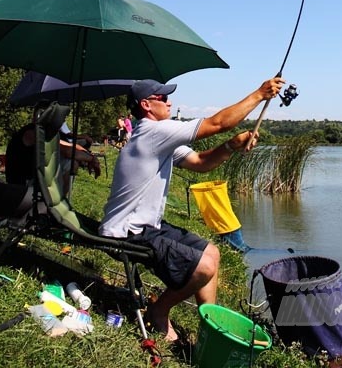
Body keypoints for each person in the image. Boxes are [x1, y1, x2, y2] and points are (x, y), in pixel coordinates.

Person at [99, 75, 284, 342]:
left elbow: (200, 162)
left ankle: (210, 326)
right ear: (147, 105)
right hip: (125, 232)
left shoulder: (158, 139)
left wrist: (231, 145)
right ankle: (158, 311)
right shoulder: (153, 132)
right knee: (204, 268)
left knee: (213, 253)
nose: (169, 102)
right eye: (163, 98)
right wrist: (259, 94)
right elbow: (217, 123)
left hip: (147, 225)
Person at [5, 105, 101, 192]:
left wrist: (89, 155)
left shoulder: (43, 131)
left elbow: (70, 146)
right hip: (23, 184)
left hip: (35, 176)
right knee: (71, 163)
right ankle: (55, 201)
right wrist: (91, 159)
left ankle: (58, 200)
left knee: (71, 163)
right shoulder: (33, 133)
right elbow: (67, 151)